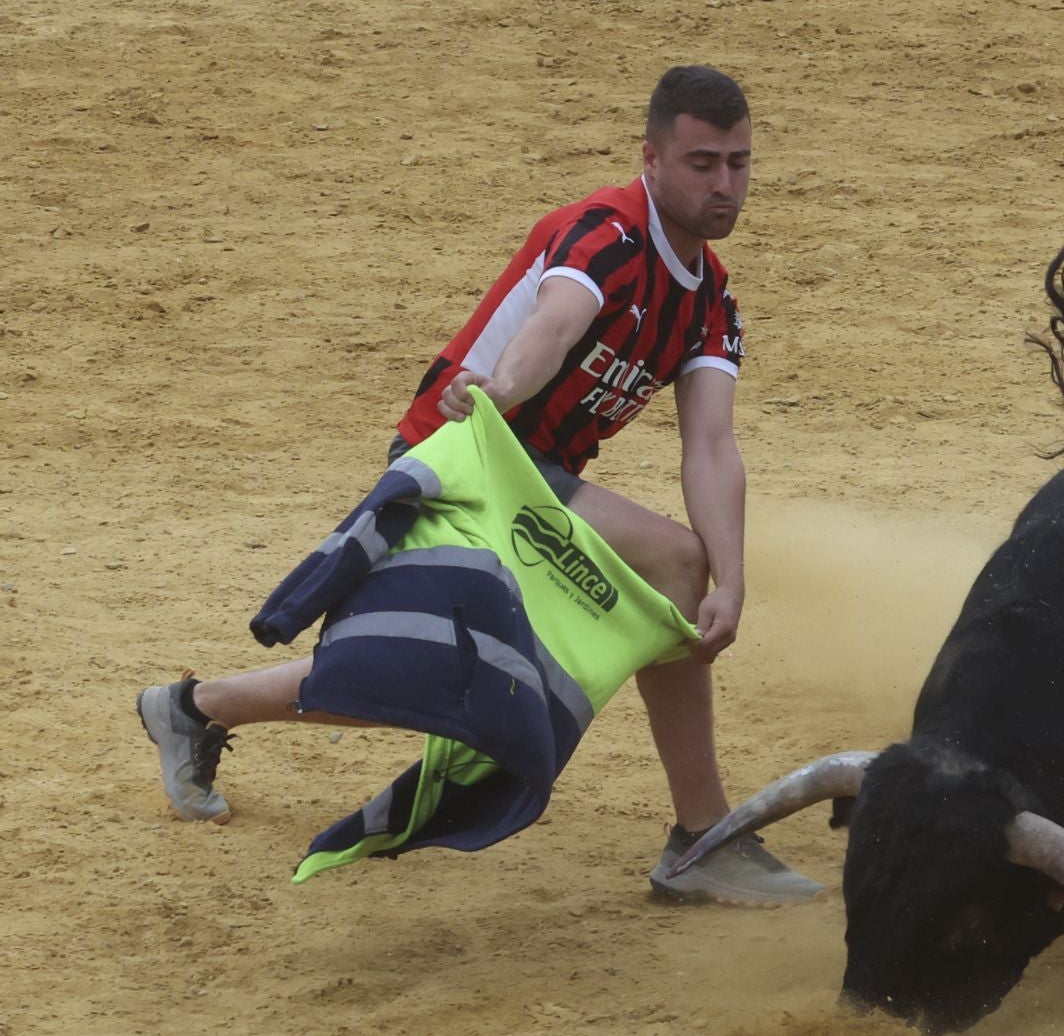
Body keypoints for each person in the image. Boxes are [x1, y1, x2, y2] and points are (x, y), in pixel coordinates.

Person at [137, 65, 822, 905]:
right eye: (702, 163)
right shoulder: (605, 232)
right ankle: (702, 835)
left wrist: (737, 579)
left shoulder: (713, 301)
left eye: (739, 163)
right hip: (462, 461)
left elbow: (711, 445)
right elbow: (555, 322)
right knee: (667, 569)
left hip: (534, 484)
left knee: (458, 682)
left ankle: (196, 708)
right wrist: (500, 390)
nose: (725, 185)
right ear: (651, 158)